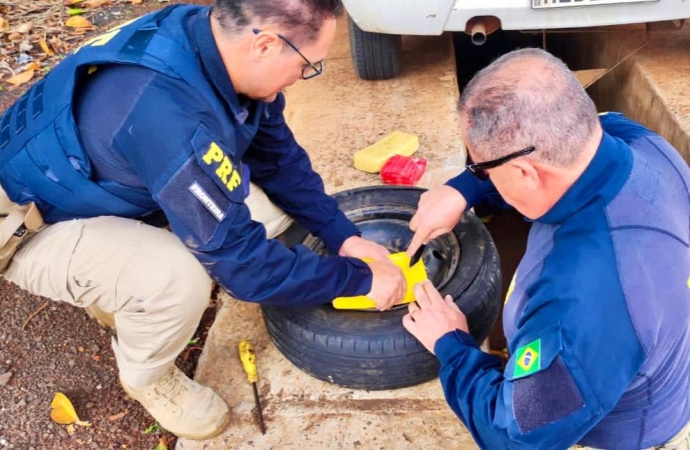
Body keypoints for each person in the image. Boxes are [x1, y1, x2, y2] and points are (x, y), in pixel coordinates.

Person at [0, 0, 407, 440]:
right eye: (308, 65)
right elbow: (245, 272)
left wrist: (342, 235)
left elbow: (278, 157)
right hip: (25, 224)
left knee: (268, 213)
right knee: (174, 277)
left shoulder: (208, 35)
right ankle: (147, 377)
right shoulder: (164, 112)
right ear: (266, 45)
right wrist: (360, 281)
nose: (304, 77)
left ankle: (119, 267)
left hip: (97, 174)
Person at [404, 48, 690, 450]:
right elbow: (604, 125)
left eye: (482, 169)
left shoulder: (583, 303)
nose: (481, 176)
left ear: (524, 172)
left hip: (618, 435)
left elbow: (513, 436)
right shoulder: (645, 145)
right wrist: (462, 189)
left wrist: (451, 343)